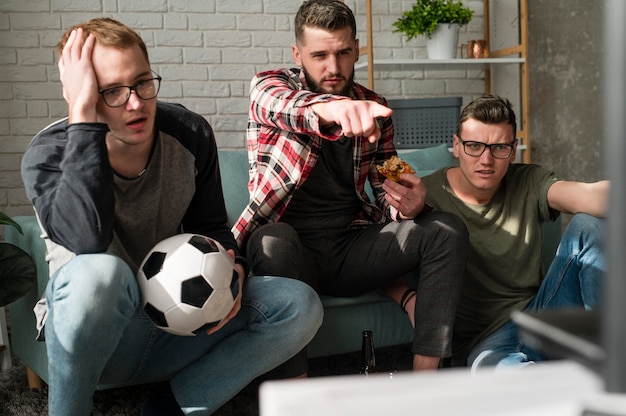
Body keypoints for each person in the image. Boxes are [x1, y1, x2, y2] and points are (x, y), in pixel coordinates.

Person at [20, 18, 323, 416]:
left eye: (142, 82)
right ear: (84, 94)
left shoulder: (189, 133)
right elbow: (86, 239)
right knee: (101, 275)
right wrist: (82, 119)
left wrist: (233, 273)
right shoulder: (48, 155)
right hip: (91, 341)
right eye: (111, 91)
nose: (135, 103)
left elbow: (213, 229)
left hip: (173, 322)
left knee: (298, 305)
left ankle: (173, 407)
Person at [233, 0, 469, 375]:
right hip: (292, 255)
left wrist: (409, 206)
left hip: (351, 249)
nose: (333, 67)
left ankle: (425, 379)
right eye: (320, 55)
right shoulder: (269, 88)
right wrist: (335, 109)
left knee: (446, 230)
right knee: (270, 239)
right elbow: (284, 106)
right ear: (298, 54)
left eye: (343, 53)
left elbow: (385, 193)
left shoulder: (375, 107)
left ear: (357, 48)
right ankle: (296, 394)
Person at [413, 94, 607, 370]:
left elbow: (589, 195)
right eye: (474, 146)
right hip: (486, 342)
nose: (486, 160)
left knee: (589, 225)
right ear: (456, 146)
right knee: (512, 383)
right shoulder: (427, 195)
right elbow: (385, 256)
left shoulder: (528, 180)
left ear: (513, 149)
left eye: (499, 147)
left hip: (542, 313)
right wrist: (407, 298)